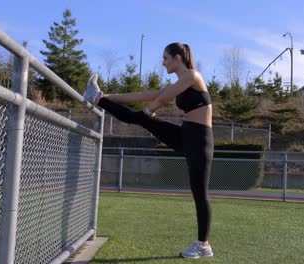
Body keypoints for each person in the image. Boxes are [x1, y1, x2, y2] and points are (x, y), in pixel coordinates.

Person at [83, 42, 214, 259]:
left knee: (200, 194)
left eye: (165, 58)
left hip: (200, 140)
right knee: (138, 117)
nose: (163, 63)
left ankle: (203, 244)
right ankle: (98, 97)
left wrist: (146, 113)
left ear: (177, 58)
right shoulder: (181, 80)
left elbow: (161, 100)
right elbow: (145, 95)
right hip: (186, 135)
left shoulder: (192, 76)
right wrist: (112, 96)